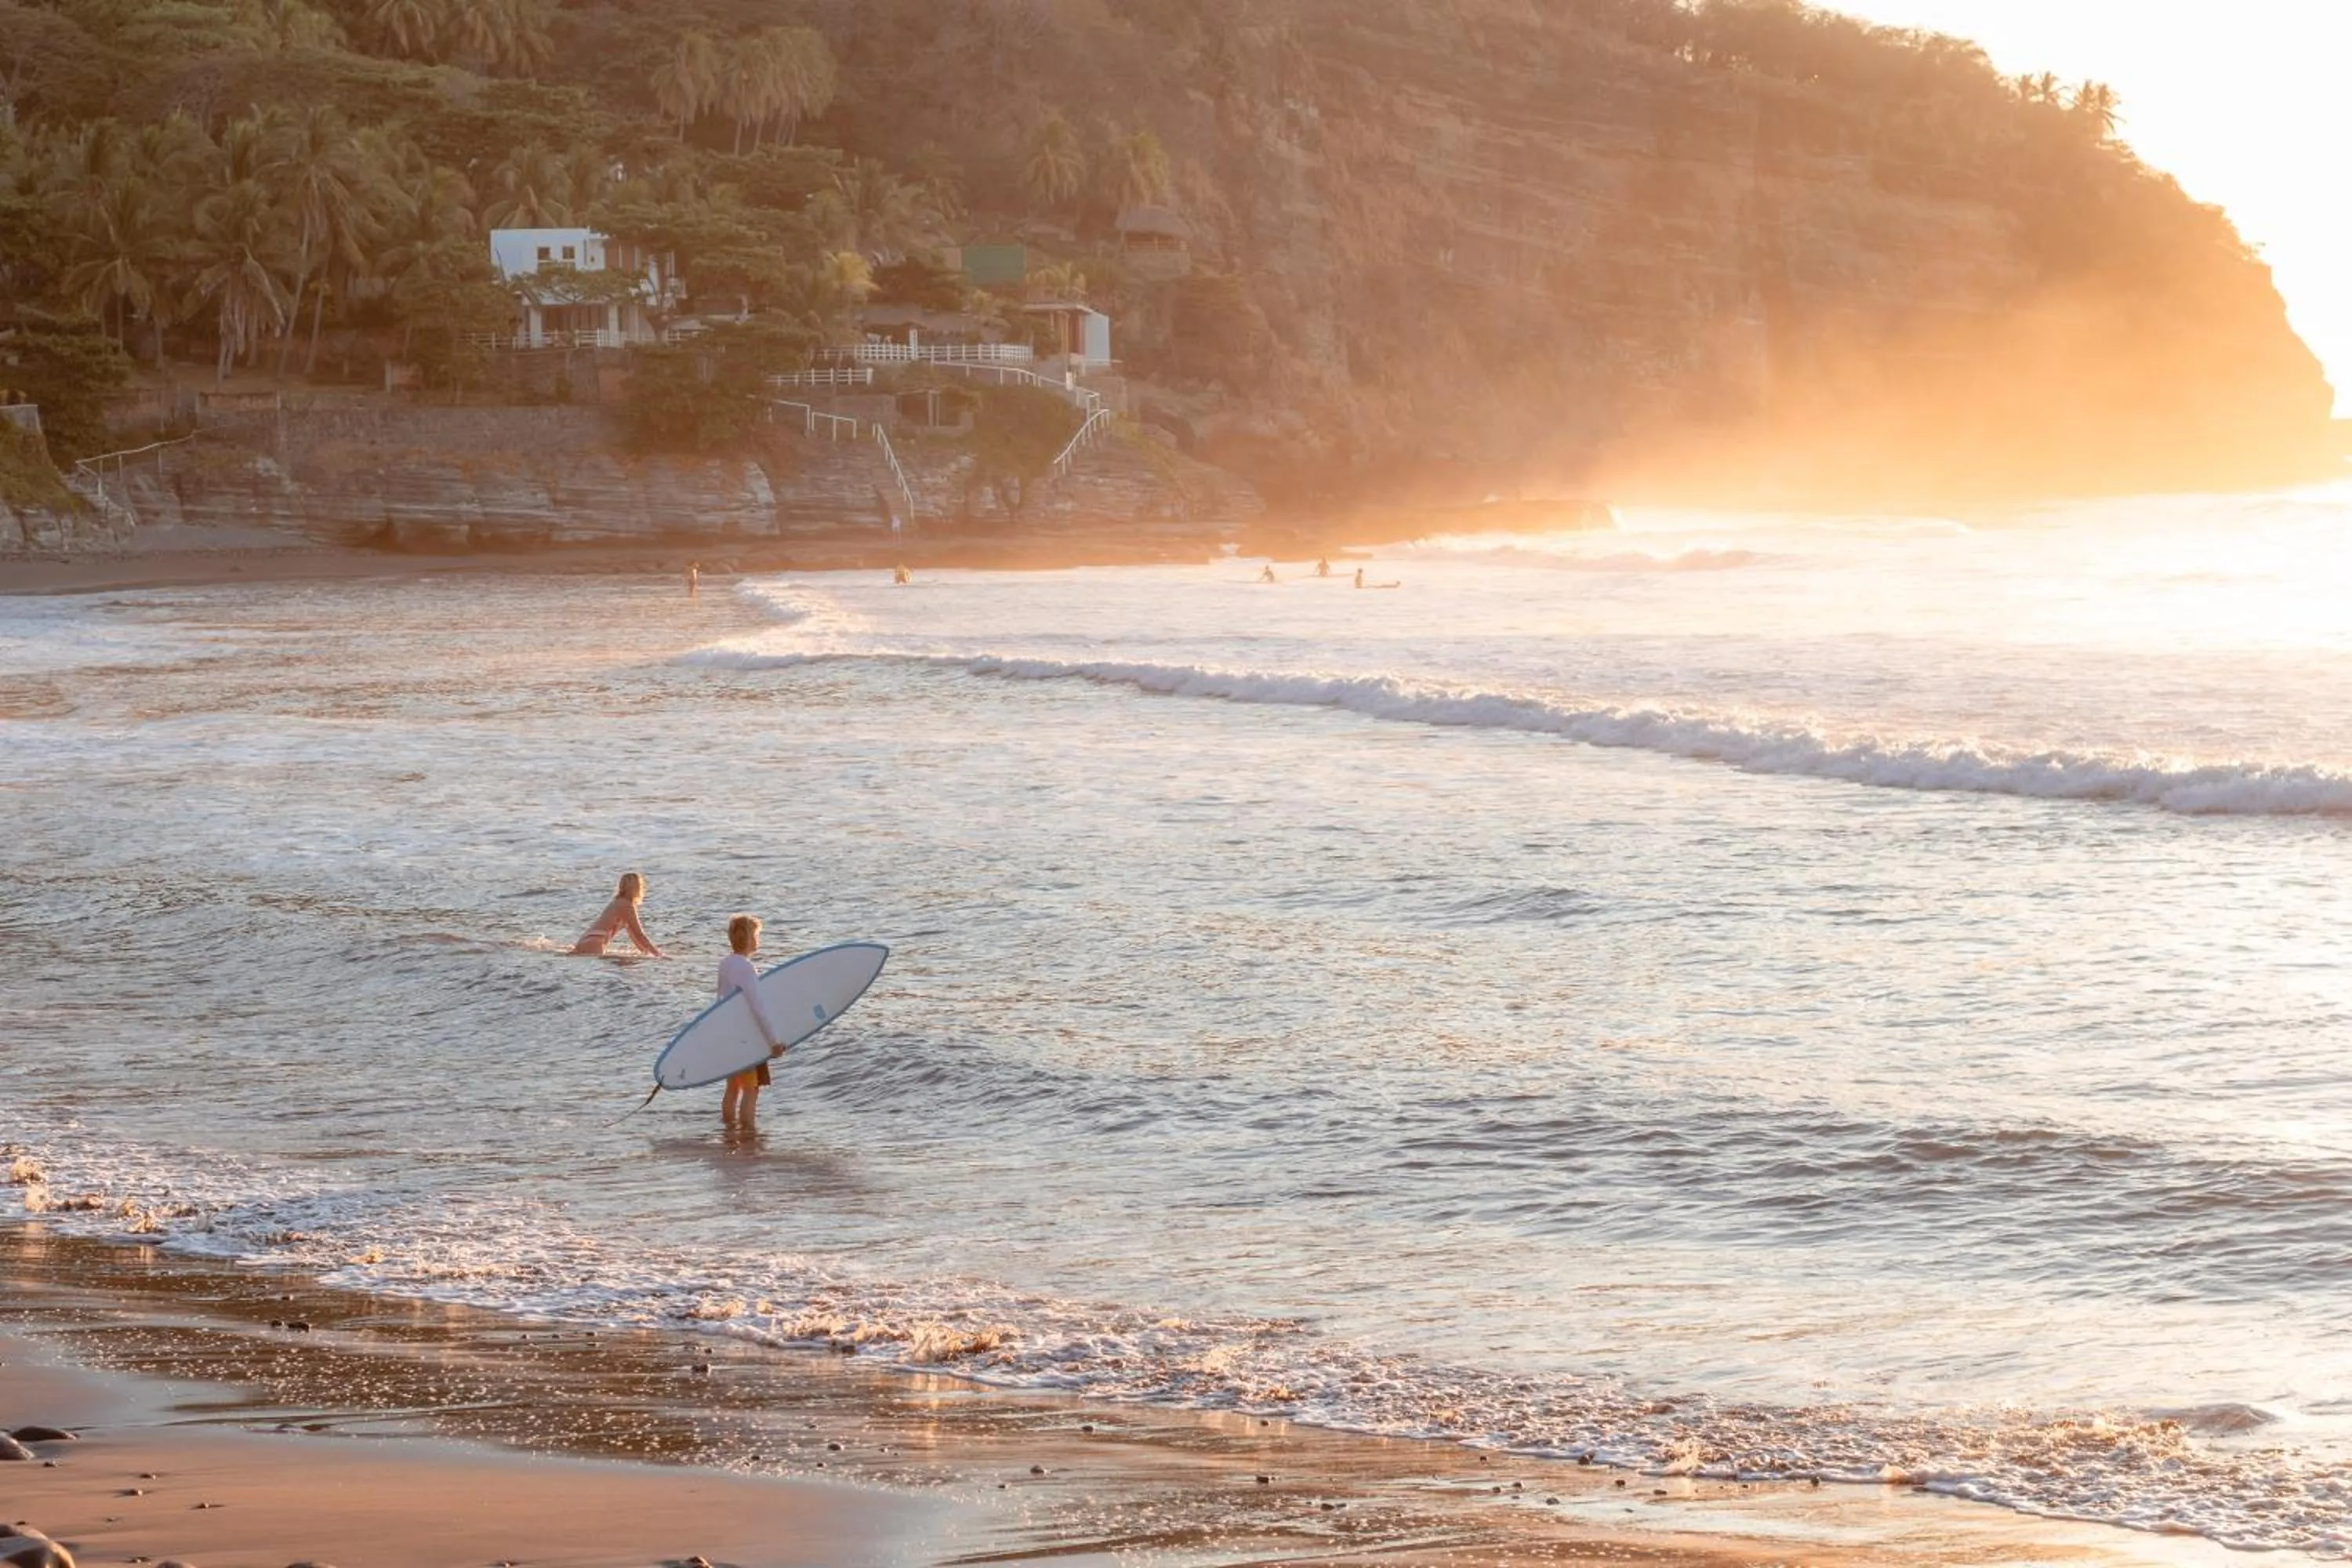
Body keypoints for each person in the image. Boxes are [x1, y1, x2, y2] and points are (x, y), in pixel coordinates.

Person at [718, 914, 786, 1126]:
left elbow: (719, 1001)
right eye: (757, 935)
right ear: (748, 938)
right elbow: (758, 1007)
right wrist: (774, 1041)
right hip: (746, 1038)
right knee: (751, 1088)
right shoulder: (746, 968)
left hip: (730, 1035)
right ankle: (748, 1137)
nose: (758, 941)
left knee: (733, 1087)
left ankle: (728, 1131)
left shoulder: (726, 963)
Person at [572, 872, 665, 958]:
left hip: (587, 941)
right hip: (595, 943)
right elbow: (639, 935)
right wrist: (658, 956)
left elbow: (634, 936)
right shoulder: (626, 905)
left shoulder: (618, 902)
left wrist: (648, 954)